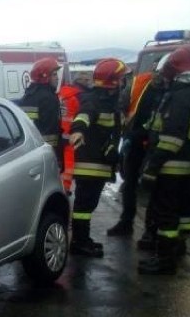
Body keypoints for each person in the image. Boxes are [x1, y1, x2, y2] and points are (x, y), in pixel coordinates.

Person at [138, 48, 190, 275]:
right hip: (187, 164)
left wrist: (152, 167)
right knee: (183, 210)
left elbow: (172, 137)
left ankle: (165, 260)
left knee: (166, 213)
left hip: (170, 166)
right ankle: (178, 247)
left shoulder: (178, 97)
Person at [67, 58, 127, 257]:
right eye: (121, 79)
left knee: (88, 205)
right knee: (84, 205)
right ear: (114, 82)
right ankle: (79, 242)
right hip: (91, 165)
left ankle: (83, 239)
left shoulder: (109, 102)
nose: (123, 82)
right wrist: (78, 130)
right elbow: (83, 116)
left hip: (99, 163)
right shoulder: (94, 101)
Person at [106, 60, 165, 237]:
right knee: (130, 183)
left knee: (156, 187)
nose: (158, 76)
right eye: (156, 71)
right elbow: (121, 105)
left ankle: (151, 229)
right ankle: (126, 223)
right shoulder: (137, 83)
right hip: (136, 141)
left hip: (158, 144)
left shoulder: (173, 89)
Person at [19, 58, 63, 167]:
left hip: (29, 151)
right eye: (54, 75)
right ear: (45, 77)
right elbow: (52, 130)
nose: (57, 78)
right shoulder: (48, 98)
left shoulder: (28, 95)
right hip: (47, 152)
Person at [58, 71, 92, 193]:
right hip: (72, 134)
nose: (89, 83)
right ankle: (65, 188)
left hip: (59, 133)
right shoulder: (79, 96)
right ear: (79, 81)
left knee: (60, 162)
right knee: (69, 164)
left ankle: (60, 186)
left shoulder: (62, 93)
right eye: (86, 80)